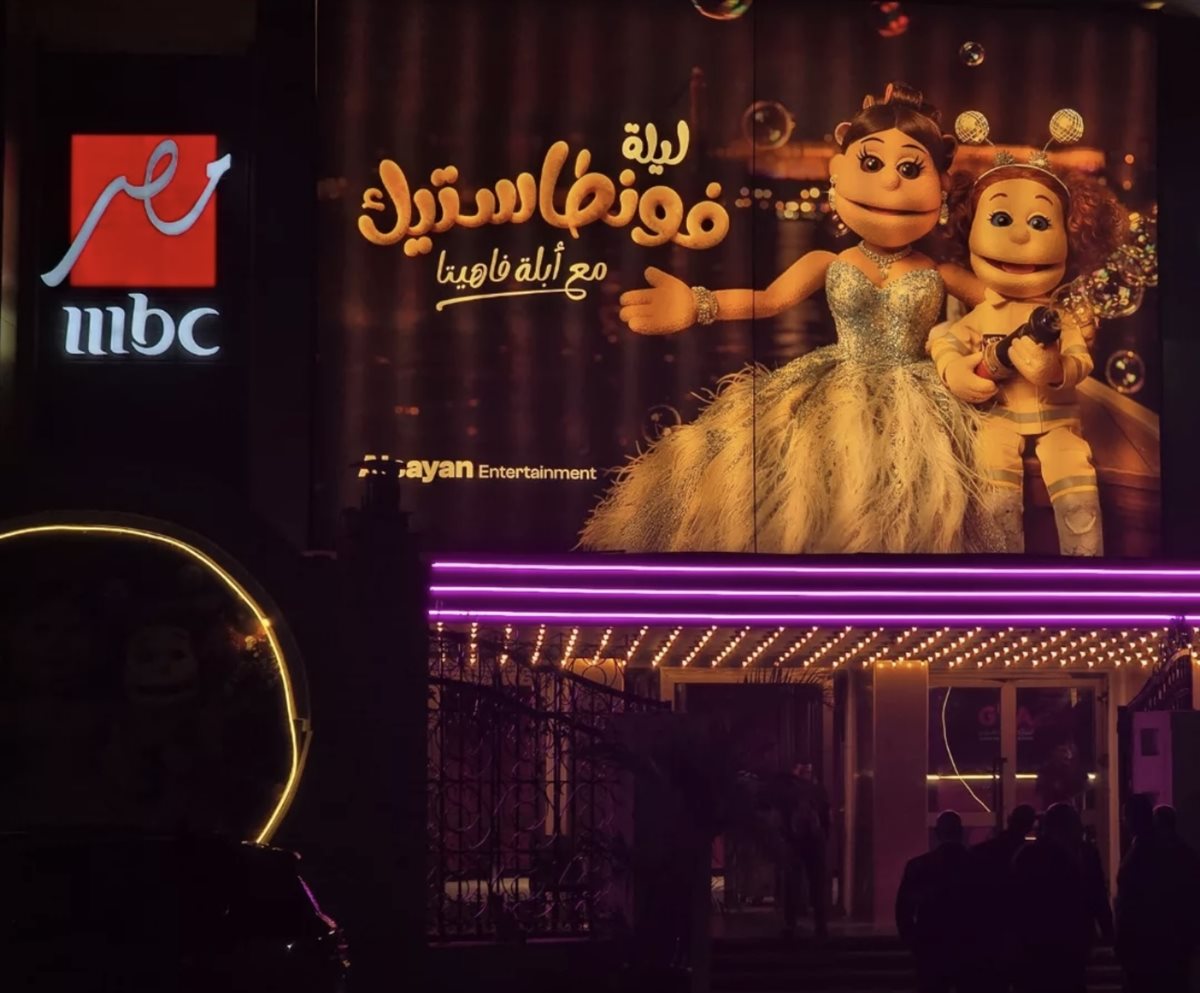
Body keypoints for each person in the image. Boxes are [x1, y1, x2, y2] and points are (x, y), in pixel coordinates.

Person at [579, 82, 997, 555]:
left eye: (909, 168)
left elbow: (1000, 305)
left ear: (942, 184)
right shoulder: (830, 261)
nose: (889, 183)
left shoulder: (938, 272)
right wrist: (698, 304)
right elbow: (770, 299)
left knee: (919, 489)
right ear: (837, 172)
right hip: (838, 384)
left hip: (921, 393)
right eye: (870, 163)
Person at [1010, 802, 1112, 993]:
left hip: (1038, 947)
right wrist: (1107, 932)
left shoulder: (1029, 856)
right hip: (1065, 944)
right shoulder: (1084, 854)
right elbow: (1097, 894)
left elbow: (1016, 902)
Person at [1115, 798, 1200, 992]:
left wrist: (1122, 940)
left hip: (1147, 946)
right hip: (1169, 945)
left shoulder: (1141, 853)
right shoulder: (1175, 852)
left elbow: (1130, 904)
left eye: (1125, 816)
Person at [895, 810, 974, 992]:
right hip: (968, 944)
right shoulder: (977, 864)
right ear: (961, 832)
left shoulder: (919, 866)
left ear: (937, 833)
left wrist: (913, 940)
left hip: (931, 943)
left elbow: (904, 908)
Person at [966, 804, 1037, 992]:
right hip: (1022, 936)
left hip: (990, 933)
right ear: (1030, 826)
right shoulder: (1034, 858)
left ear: (1009, 820)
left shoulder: (982, 852)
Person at [774, 760, 829, 939]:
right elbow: (826, 816)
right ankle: (819, 924)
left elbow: (781, 815)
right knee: (815, 883)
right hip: (811, 841)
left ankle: (792, 923)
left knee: (795, 883)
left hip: (797, 841)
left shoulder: (788, 791)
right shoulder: (817, 790)